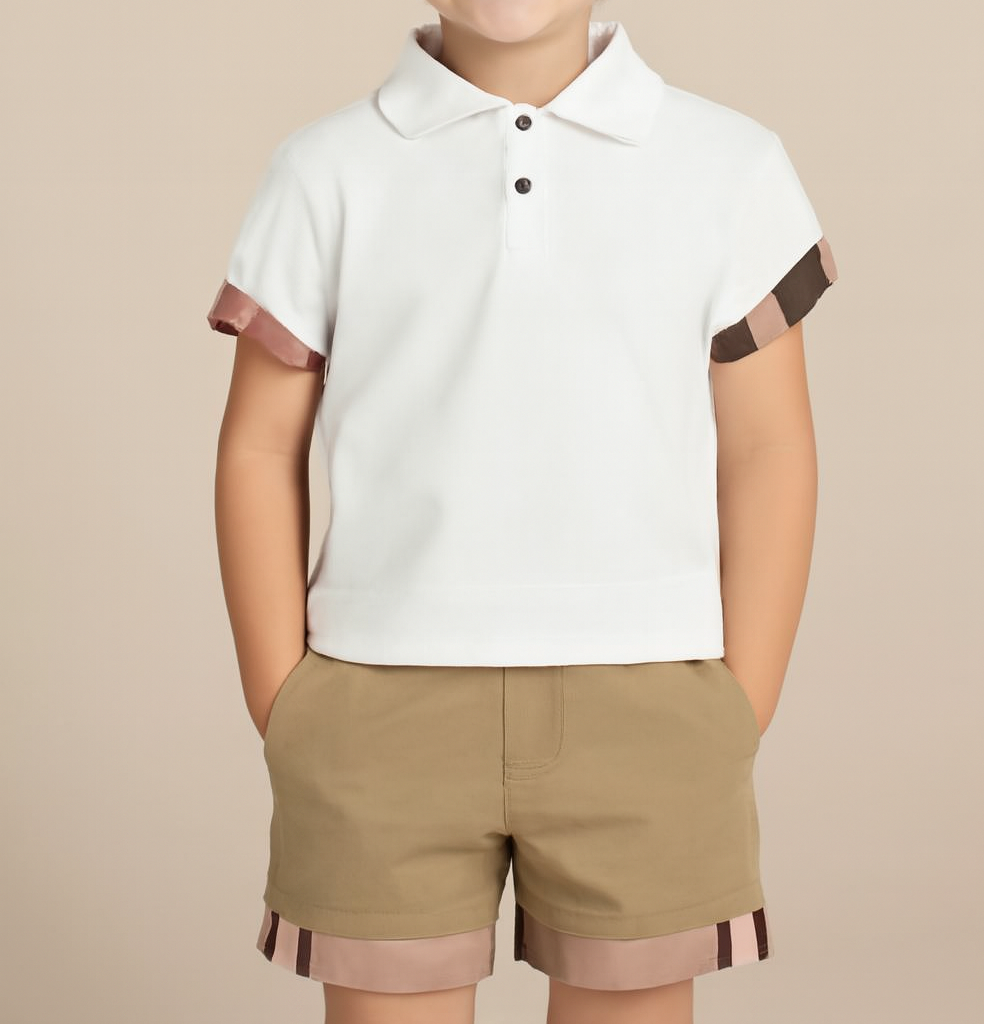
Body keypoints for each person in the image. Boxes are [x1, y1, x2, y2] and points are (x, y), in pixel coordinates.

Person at [207, 1, 838, 1021]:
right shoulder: (323, 171)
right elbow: (258, 445)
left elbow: (770, 446)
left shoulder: (731, 164)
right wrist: (280, 698)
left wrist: (742, 698)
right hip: (375, 707)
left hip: (651, 703)